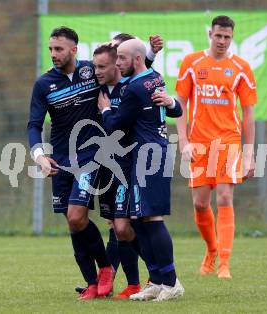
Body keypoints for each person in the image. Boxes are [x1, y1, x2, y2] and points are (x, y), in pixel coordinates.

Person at [27, 26, 114, 300]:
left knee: (77, 216)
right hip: (61, 160)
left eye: (59, 49)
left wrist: (148, 54)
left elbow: (122, 73)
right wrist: (40, 156)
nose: (54, 54)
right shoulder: (43, 84)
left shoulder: (92, 72)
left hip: (90, 157)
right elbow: (33, 125)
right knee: (74, 223)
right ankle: (91, 283)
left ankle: (107, 269)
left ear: (74, 50)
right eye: (51, 49)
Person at [93, 43, 182, 299]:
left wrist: (106, 109)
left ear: (137, 58)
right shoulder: (153, 78)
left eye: (121, 58)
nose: (117, 63)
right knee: (139, 221)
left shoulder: (132, 88)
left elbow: (116, 125)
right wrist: (172, 102)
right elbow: (174, 108)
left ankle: (171, 282)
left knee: (152, 220)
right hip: (144, 155)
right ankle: (156, 280)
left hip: (149, 155)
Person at [175, 15, 257, 279]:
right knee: (200, 204)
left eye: (227, 37)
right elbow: (180, 104)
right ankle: (211, 250)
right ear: (210, 34)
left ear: (232, 38)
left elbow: (248, 112)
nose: (222, 41)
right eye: (218, 36)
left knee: (224, 197)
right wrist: (184, 141)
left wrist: (249, 154)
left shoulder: (241, 68)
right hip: (199, 143)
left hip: (228, 140)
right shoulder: (192, 63)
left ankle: (224, 263)